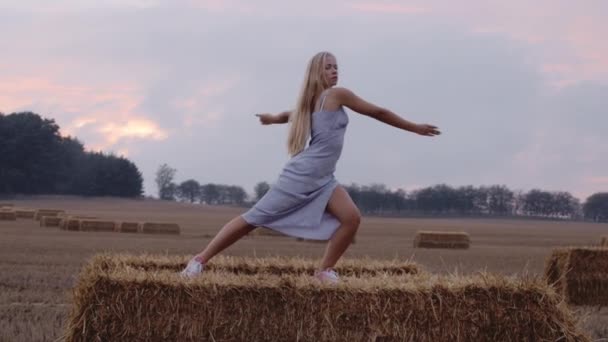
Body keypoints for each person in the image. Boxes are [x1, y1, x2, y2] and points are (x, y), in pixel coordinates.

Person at [181, 51, 440, 283]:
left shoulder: (314, 101)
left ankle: (324, 271)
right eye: (328, 67)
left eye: (336, 66)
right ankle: (198, 261)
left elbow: (286, 115)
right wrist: (413, 127)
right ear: (317, 72)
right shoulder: (335, 95)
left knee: (351, 218)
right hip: (303, 175)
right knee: (253, 219)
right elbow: (378, 112)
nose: (335, 70)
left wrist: (271, 119)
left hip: (324, 178)